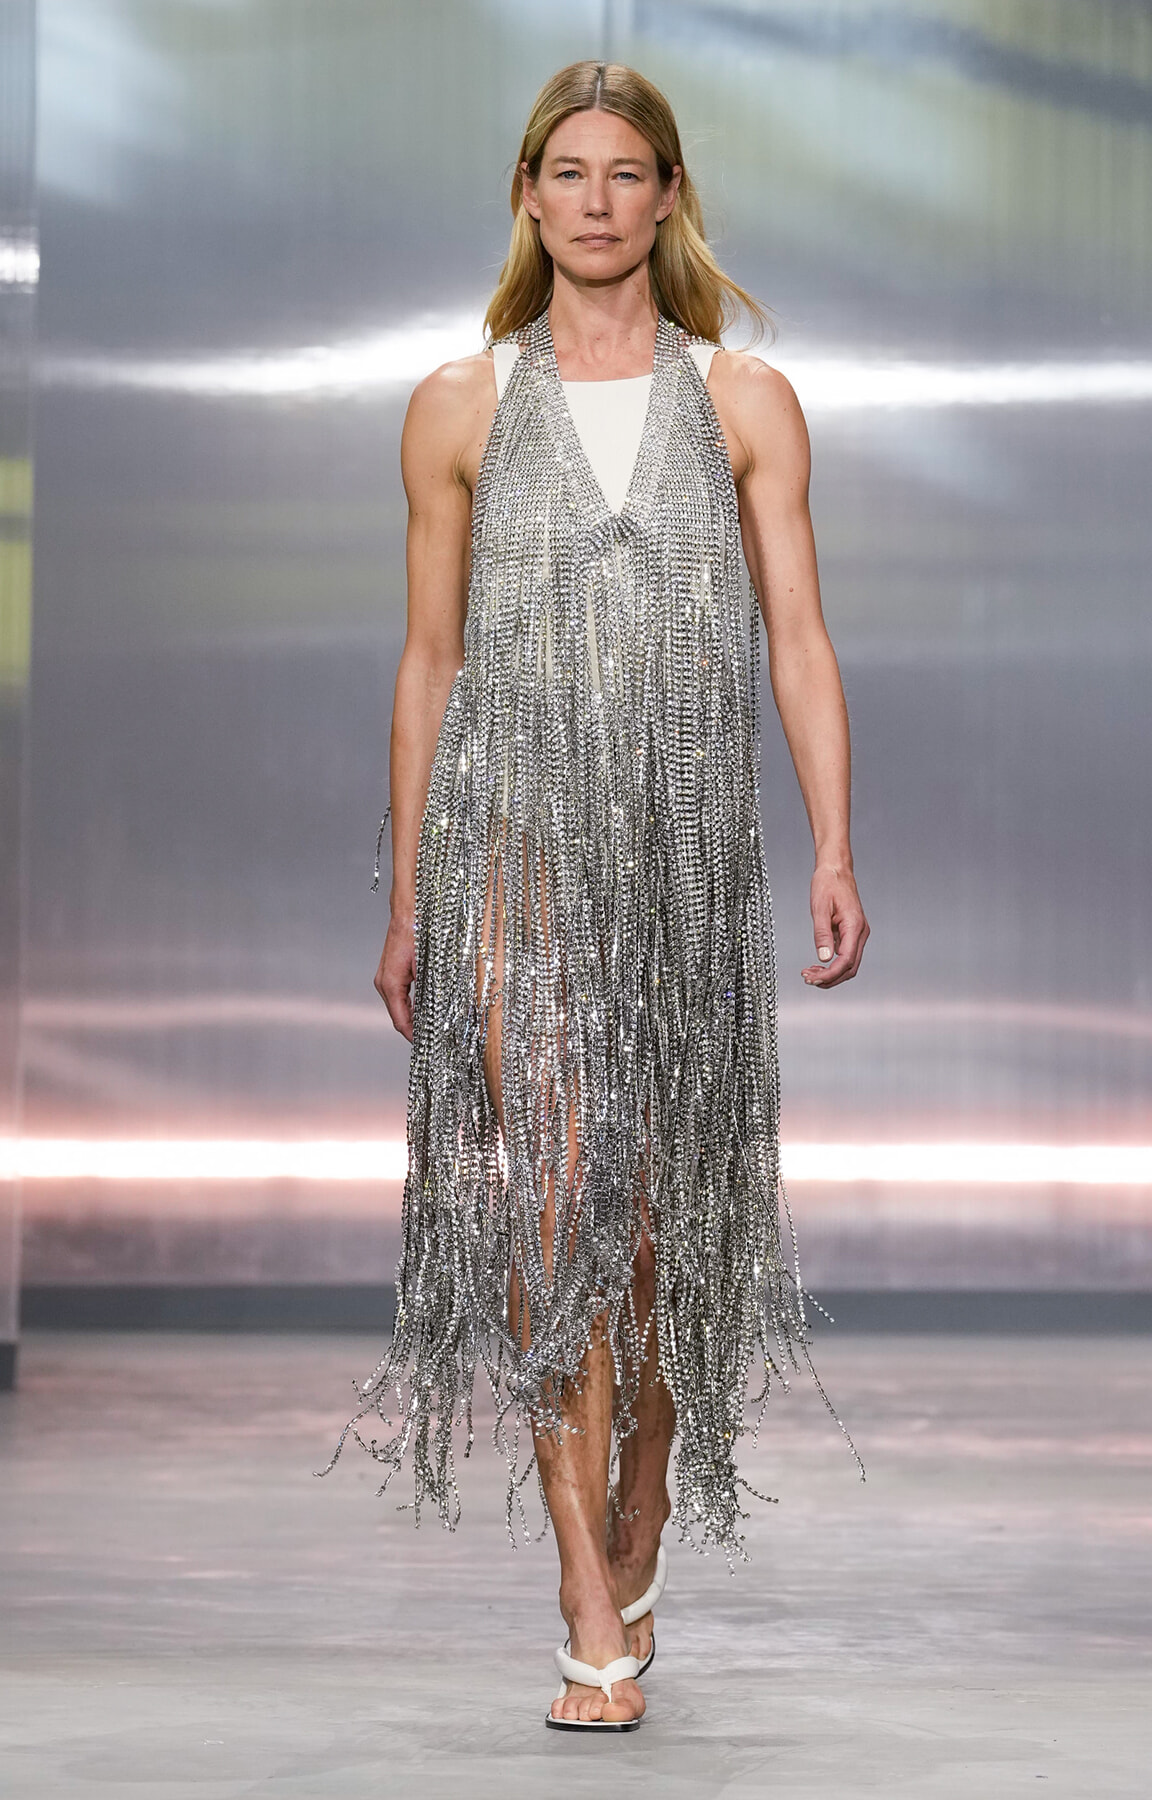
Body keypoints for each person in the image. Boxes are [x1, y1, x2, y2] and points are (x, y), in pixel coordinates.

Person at [326, 59, 868, 1732]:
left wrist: (835, 844)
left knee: (647, 1241)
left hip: (687, 858)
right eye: (569, 170)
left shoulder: (750, 404)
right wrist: (410, 892)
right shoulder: (458, 405)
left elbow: (797, 639)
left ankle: (640, 1524)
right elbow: (427, 664)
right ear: (527, 191)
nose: (597, 199)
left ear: (669, 194)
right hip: (510, 838)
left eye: (628, 173)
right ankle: (586, 1589)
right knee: (548, 1211)